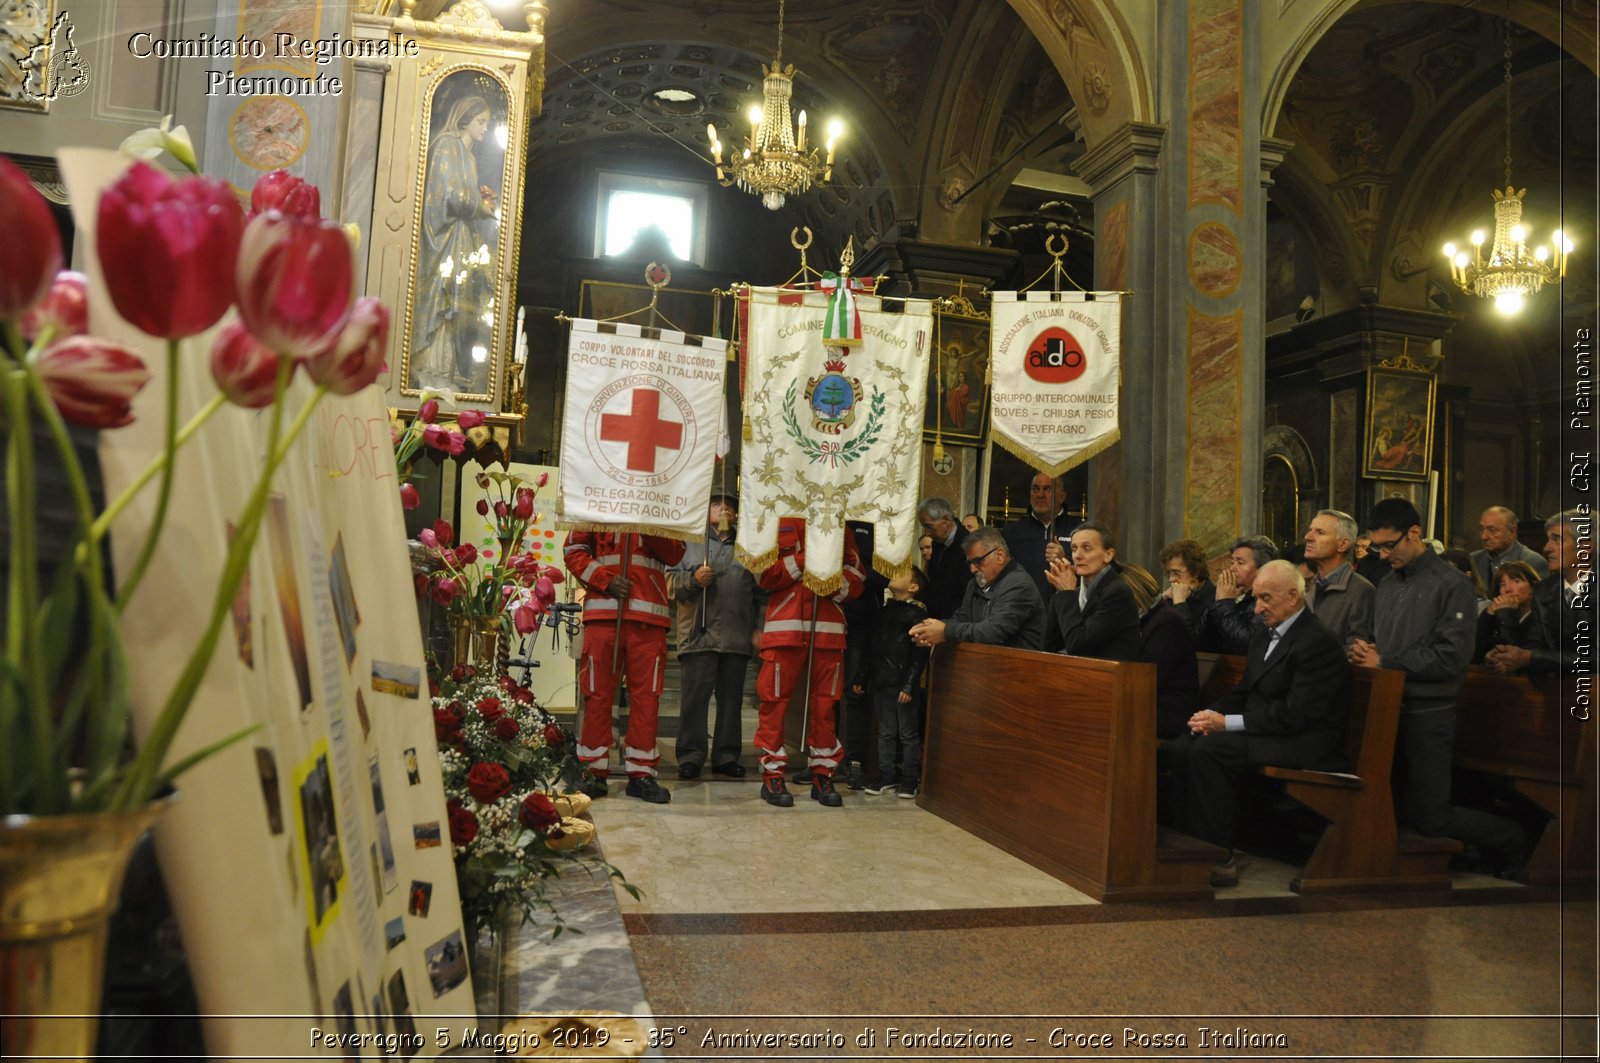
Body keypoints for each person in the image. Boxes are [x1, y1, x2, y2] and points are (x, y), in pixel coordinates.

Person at [1349, 498, 1526, 873]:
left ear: (1414, 533)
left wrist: (1386, 661)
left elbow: (1451, 656)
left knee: (1432, 816)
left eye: (1388, 545)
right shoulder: (1387, 584)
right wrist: (1363, 647)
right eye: (1377, 546)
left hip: (1428, 711)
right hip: (1386, 706)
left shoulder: (1450, 584)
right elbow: (1381, 638)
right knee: (1387, 803)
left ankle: (1516, 839)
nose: (1382, 555)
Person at [1167, 560, 1350, 888]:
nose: (1257, 609)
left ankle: (1219, 856)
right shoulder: (1265, 634)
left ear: (1293, 597)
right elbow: (1245, 691)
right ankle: (1189, 845)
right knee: (1185, 742)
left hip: (1306, 740)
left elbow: (1296, 714)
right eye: (1255, 598)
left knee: (1211, 750)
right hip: (1270, 729)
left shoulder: (1317, 642)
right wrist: (1208, 715)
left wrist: (1228, 724)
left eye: (1265, 598)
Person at [563, 529, 686, 803]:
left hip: (649, 617)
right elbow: (573, 551)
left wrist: (649, 525)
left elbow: (676, 553)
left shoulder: (662, 503)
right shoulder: (598, 494)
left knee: (647, 698)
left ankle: (641, 774)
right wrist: (605, 580)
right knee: (596, 695)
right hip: (604, 613)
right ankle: (593, 771)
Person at [752, 518, 864, 807]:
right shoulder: (777, 523)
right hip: (785, 629)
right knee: (774, 702)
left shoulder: (842, 528)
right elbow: (764, 575)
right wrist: (804, 560)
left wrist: (829, 582)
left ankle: (823, 774)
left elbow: (857, 578)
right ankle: (772, 775)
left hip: (828, 629)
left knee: (825, 706)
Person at [667, 493, 760, 780]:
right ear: (706, 510)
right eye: (718, 504)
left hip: (736, 634)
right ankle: (691, 756)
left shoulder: (749, 548)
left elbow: (760, 592)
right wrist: (692, 580)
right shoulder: (688, 543)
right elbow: (669, 582)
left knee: (732, 700)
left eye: (730, 506)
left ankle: (727, 756)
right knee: (695, 700)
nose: (724, 509)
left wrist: (759, 627)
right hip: (698, 633)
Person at [411, 94, 498, 394]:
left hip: (459, 242)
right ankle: (428, 370)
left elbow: (465, 196)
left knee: (454, 311)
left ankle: (443, 371)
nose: (485, 128)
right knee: (439, 303)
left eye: (487, 122)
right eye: (481, 122)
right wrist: (482, 207)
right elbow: (452, 197)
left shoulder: (468, 155)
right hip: (442, 241)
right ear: (465, 119)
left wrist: (480, 200)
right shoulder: (447, 146)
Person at [1485, 509, 1593, 678]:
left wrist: (1529, 658)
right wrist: (1505, 656)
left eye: (1557, 540)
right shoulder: (1544, 591)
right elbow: (1533, 646)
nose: (1546, 548)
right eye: (1548, 540)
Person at [909, 528, 1044, 651]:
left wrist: (945, 631)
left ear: (1000, 555)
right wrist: (928, 629)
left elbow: (994, 632)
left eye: (978, 561)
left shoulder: (1018, 584)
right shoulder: (974, 584)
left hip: (1020, 669)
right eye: (970, 563)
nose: (972, 569)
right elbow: (961, 618)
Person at [860, 566, 930, 799]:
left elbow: (918, 654)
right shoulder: (885, 611)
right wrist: (864, 676)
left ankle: (910, 778)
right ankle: (885, 775)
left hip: (902, 684)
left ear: (913, 588)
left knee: (907, 733)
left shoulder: (916, 615)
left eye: (902, 573)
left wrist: (910, 685)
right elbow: (874, 647)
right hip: (882, 681)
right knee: (885, 732)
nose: (894, 574)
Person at [835, 520, 887, 789]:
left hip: (862, 622)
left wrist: (858, 574)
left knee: (854, 694)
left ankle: (855, 761)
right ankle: (823, 758)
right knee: (826, 694)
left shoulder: (876, 524)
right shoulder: (830, 519)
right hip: (829, 615)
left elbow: (886, 575)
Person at [1122, 563, 1200, 740]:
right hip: (1149, 705)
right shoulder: (1145, 619)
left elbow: (1149, 679)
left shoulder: (1166, 621)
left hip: (1170, 711)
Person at [1041, 521, 1140, 661]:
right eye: (1074, 549)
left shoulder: (1117, 592)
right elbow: (1050, 646)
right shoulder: (1074, 591)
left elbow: (1078, 645)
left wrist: (1066, 593)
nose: (1077, 556)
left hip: (1110, 678)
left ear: (1108, 555)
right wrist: (1061, 591)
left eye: (1086, 548)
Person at [1301, 509, 1376, 649]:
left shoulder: (1361, 591)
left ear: (1343, 544)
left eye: (1320, 532)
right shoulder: (1306, 586)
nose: (1308, 537)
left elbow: (1356, 650)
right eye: (1310, 530)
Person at [1001, 472, 1076, 601]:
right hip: (1023, 611)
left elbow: (1090, 573)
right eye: (1035, 489)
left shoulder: (1079, 530)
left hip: (1065, 609)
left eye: (1047, 489)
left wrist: (1065, 559)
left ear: (1062, 496)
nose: (1040, 495)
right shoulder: (1011, 532)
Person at [1195, 536, 1276, 654]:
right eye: (1232, 562)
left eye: (1240, 562)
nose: (1232, 568)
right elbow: (1200, 640)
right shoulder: (1230, 594)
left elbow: (1246, 643)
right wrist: (1217, 600)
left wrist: (1224, 602)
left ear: (1262, 568)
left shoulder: (1267, 599)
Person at [1472, 561, 1541, 663]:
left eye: (1516, 581)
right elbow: (1476, 654)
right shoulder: (1496, 614)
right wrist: (1488, 615)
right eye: (1502, 584)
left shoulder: (1540, 617)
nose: (1507, 589)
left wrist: (1508, 614)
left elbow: (1512, 655)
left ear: (1532, 587)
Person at [1469, 506, 1549, 593]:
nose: (1484, 536)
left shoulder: (1533, 562)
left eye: (1492, 530)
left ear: (1512, 532)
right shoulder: (1473, 560)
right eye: (1481, 529)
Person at [917, 497, 971, 620]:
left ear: (946, 521)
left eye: (929, 526)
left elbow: (965, 592)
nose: (927, 532)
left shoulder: (968, 545)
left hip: (954, 622)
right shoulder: (937, 543)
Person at [1158, 538, 1217, 639]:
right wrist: (1161, 600)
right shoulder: (1171, 598)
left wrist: (1180, 603)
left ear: (1195, 572)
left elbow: (1189, 641)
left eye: (1176, 573)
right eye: (1169, 573)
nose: (1171, 579)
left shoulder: (1214, 600)